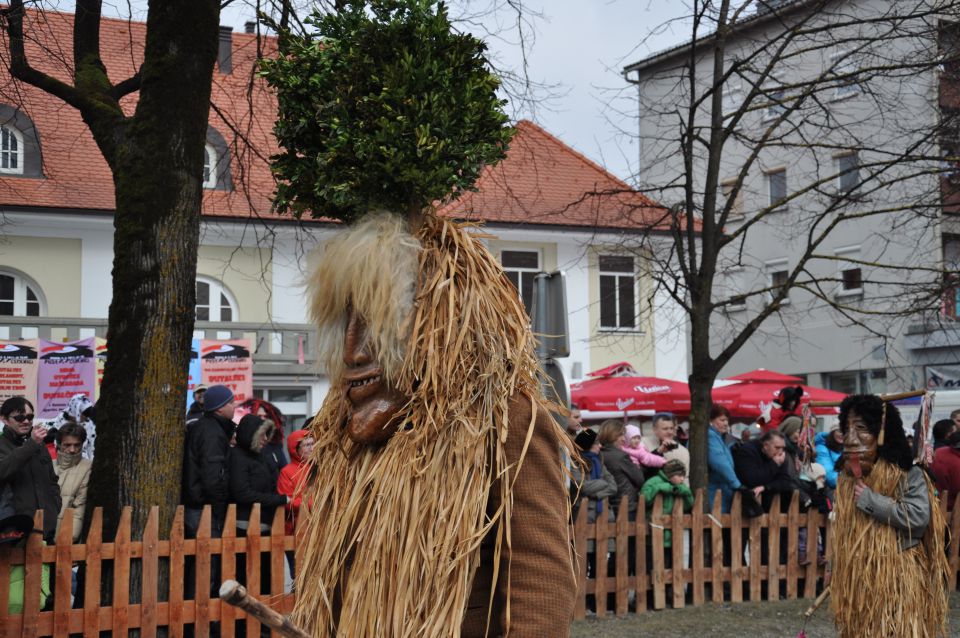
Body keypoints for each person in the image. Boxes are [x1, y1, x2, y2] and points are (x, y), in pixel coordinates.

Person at [291, 214, 576, 636]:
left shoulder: (505, 421)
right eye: (344, 325)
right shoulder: (341, 436)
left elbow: (539, 581)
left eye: (376, 325)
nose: (352, 351)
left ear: (437, 327)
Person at [830, 394, 949, 638]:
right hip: (860, 580)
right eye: (847, 429)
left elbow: (917, 518)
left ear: (882, 433)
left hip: (897, 578)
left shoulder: (908, 473)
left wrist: (871, 501)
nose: (851, 439)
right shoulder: (846, 478)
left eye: (861, 429)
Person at [0, 397, 61, 541]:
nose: (26, 421)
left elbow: (52, 480)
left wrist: (55, 506)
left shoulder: (39, 445)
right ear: (4, 419)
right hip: (14, 529)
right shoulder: (3, 444)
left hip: (47, 526)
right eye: (19, 417)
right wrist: (31, 445)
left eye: (29, 416)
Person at [181, 384, 236, 538]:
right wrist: (219, 510)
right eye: (230, 403)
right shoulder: (212, 433)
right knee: (208, 559)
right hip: (204, 510)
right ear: (219, 409)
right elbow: (213, 476)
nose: (234, 406)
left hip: (201, 507)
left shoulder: (210, 428)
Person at [229, 414, 288, 534]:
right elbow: (242, 493)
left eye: (267, 434)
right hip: (245, 524)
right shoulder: (238, 457)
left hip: (264, 522)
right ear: (251, 434)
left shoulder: (260, 456)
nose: (266, 439)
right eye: (262, 434)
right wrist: (278, 500)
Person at [733, 430, 799, 513]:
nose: (781, 452)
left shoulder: (778, 456)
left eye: (783, 448)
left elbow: (785, 481)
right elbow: (752, 480)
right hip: (748, 506)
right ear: (766, 445)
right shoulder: (747, 452)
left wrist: (766, 487)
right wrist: (774, 464)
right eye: (777, 447)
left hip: (773, 507)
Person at [598, 419, 646, 520]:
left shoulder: (599, 454)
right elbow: (639, 479)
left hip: (609, 504)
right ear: (613, 435)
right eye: (621, 435)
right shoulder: (620, 456)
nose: (624, 439)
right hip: (626, 505)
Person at [640, 459, 694, 550]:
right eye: (679, 475)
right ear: (670, 474)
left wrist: (687, 493)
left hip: (673, 534)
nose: (682, 479)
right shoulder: (653, 482)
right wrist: (658, 488)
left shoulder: (680, 486)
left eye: (683, 476)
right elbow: (644, 500)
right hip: (654, 532)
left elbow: (689, 505)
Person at [52, 423, 91, 542]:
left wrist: (69, 537)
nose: (72, 450)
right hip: (42, 534)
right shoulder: (49, 465)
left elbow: (79, 507)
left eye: (77, 445)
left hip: (66, 538)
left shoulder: (88, 467)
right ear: (59, 444)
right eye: (67, 445)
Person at [569, 428, 616, 524]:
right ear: (588, 444)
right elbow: (583, 487)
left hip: (606, 513)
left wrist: (597, 494)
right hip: (585, 515)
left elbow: (613, 487)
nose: (600, 445)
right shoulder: (575, 464)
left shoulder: (599, 462)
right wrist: (603, 482)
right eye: (597, 442)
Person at [238, 398, 288, 477]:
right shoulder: (243, 447)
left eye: (265, 416)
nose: (262, 419)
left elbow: (284, 471)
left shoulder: (275, 445)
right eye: (259, 416)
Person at [277, 428, 313, 535]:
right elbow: (288, 501)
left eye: (313, 443)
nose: (312, 448)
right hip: (297, 529)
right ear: (295, 449)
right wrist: (315, 504)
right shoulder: (287, 472)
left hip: (319, 527)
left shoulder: (321, 468)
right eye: (307, 445)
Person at [706, 404, 742, 513]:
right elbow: (720, 463)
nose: (726, 424)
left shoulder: (719, 437)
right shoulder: (710, 436)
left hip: (722, 490)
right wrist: (737, 485)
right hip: (715, 490)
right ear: (710, 420)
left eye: (727, 420)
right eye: (722, 420)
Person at [642, 412, 690, 483]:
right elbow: (641, 473)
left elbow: (685, 479)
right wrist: (658, 452)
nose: (670, 432)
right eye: (665, 429)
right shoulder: (643, 444)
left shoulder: (683, 451)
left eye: (671, 428)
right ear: (654, 429)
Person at [932, 429, 960, 509]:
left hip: (933, 501)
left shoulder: (939, 451)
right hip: (949, 508)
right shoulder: (956, 463)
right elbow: (957, 489)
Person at [815, 419, 843, 491]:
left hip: (842, 489)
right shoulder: (822, 448)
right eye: (839, 431)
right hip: (830, 491)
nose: (842, 434)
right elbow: (830, 477)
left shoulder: (844, 447)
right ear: (833, 432)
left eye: (845, 431)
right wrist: (849, 481)